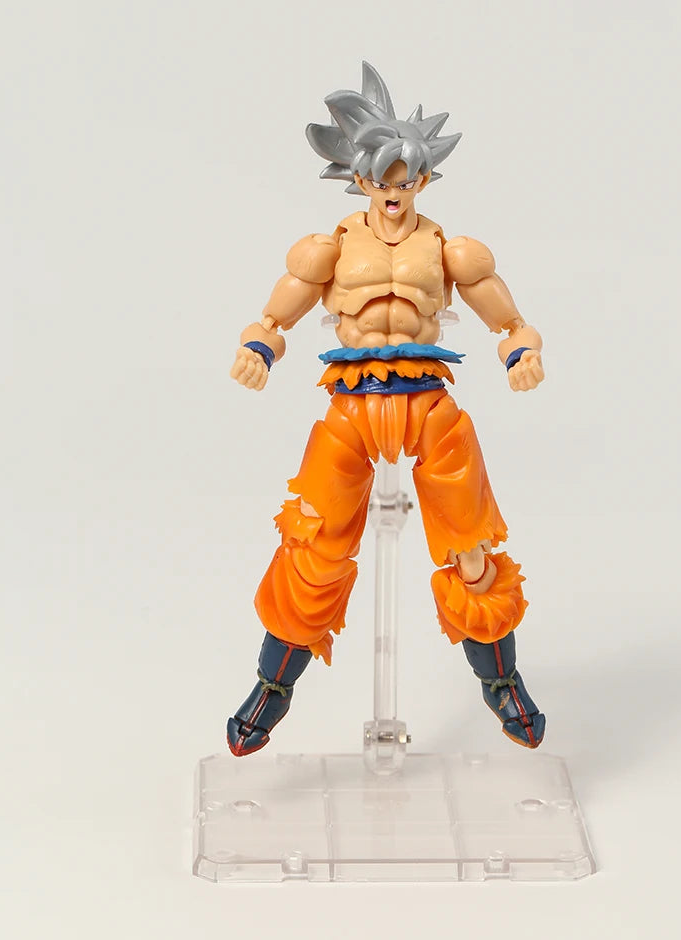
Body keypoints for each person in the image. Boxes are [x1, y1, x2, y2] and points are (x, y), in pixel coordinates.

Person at [226, 63, 547, 756]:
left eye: (406, 179)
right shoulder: (330, 248)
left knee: (470, 550)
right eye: (382, 179)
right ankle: (273, 686)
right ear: (360, 178)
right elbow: (273, 318)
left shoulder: (451, 250)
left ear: (423, 179)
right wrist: (259, 350)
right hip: (352, 402)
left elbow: (510, 322)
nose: (394, 192)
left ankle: (502, 682)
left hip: (428, 401)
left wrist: (522, 352)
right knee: (313, 546)